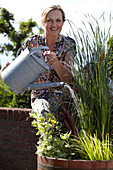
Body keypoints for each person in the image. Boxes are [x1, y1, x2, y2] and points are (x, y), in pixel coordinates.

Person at [0, 5, 77, 120]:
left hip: (62, 96)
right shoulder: (32, 42)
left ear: (63, 22)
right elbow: (20, 74)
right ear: (43, 22)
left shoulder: (68, 44)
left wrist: (55, 62)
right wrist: (8, 71)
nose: (54, 25)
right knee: (44, 112)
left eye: (58, 21)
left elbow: (69, 79)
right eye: (49, 20)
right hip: (40, 96)